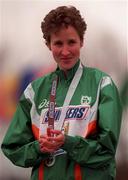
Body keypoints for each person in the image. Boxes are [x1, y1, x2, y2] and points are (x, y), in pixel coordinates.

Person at [1, 5, 122, 180]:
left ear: (81, 41)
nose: (65, 51)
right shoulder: (34, 91)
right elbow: (12, 147)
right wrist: (40, 148)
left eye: (71, 42)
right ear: (49, 45)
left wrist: (68, 142)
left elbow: (106, 151)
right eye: (58, 43)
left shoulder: (102, 84)